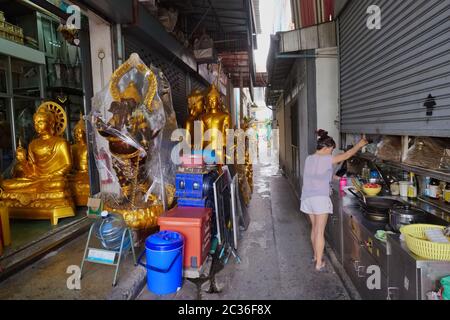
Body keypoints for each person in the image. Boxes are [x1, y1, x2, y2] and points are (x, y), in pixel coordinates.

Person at [301, 130, 368, 271]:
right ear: (325, 148)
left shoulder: (309, 159)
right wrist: (360, 144)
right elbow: (348, 155)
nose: (331, 154)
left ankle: (315, 256)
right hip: (320, 199)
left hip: (307, 198)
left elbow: (317, 175)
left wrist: (334, 178)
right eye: (331, 150)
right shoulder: (326, 159)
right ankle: (319, 262)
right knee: (320, 231)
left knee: (314, 229)